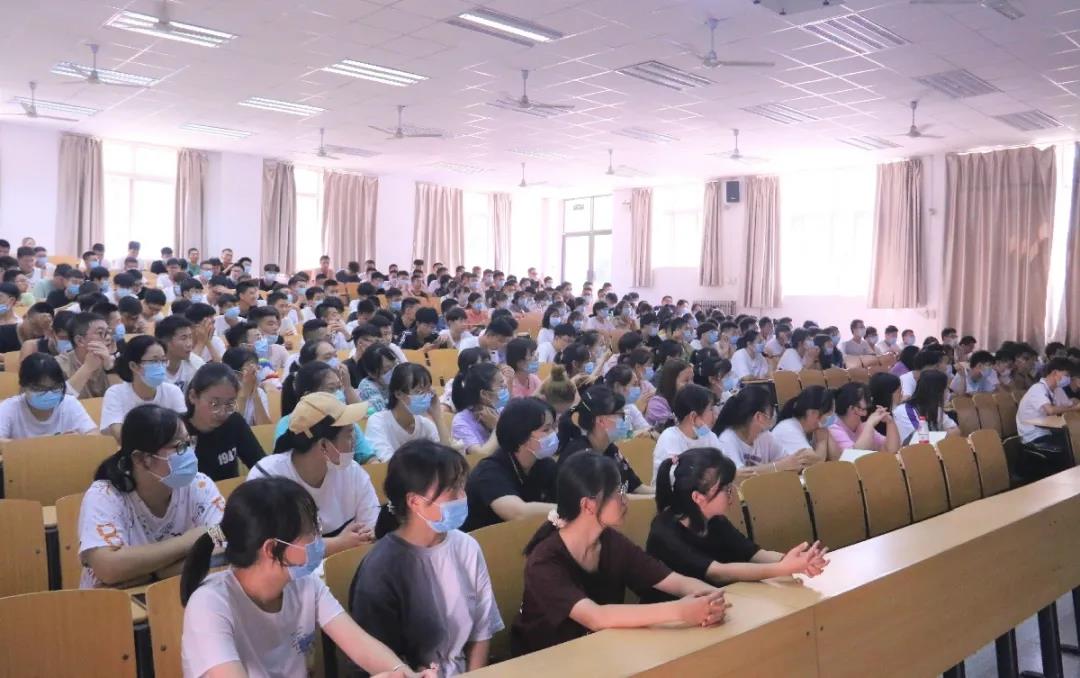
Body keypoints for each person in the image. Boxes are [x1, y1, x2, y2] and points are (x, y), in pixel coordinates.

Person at [179, 477, 435, 678]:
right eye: (312, 531)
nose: (318, 539)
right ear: (272, 548)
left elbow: (360, 644)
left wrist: (404, 673)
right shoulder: (209, 605)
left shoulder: (304, 584)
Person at [510, 452, 729, 656]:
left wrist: (713, 599)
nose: (625, 500)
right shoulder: (544, 562)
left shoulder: (610, 541)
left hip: (600, 651)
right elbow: (596, 617)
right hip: (548, 660)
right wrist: (680, 611)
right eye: (618, 493)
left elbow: (673, 581)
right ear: (588, 505)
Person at [349, 440, 503, 675]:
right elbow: (378, 662)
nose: (463, 497)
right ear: (415, 502)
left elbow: (481, 632)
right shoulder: (380, 570)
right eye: (453, 490)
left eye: (462, 487)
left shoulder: (466, 547)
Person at [78, 404, 223, 588]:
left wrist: (156, 573)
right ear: (141, 459)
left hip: (177, 592)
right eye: (179, 447)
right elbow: (107, 567)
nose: (188, 453)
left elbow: (224, 538)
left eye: (189, 443)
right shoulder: (104, 495)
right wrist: (187, 542)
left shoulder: (199, 484)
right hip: (115, 602)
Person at [648, 448, 829, 589]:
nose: (732, 493)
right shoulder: (664, 531)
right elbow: (717, 572)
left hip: (720, 600)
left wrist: (796, 560)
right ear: (698, 497)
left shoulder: (714, 520)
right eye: (726, 489)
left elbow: (754, 554)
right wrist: (782, 568)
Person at [248, 392, 379, 556]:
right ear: (324, 445)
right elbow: (274, 550)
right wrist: (339, 544)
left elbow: (372, 530)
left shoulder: (353, 472)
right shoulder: (267, 478)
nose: (354, 441)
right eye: (348, 434)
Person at [462, 397, 558, 531]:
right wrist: (566, 510)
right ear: (522, 436)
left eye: (554, 427)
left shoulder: (545, 464)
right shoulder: (489, 472)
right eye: (546, 429)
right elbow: (518, 513)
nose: (554, 433)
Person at [556, 385, 652, 494]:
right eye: (621, 415)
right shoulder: (581, 458)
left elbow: (637, 488)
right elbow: (602, 500)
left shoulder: (611, 449)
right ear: (601, 421)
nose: (626, 419)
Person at [276, 360, 376, 465]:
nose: (338, 393)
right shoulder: (290, 426)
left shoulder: (346, 419)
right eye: (331, 389)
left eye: (339, 388)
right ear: (309, 396)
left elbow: (368, 457)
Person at [183, 363, 266, 481]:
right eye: (214, 403)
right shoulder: (177, 431)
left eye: (229, 404)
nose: (222, 412)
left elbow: (261, 465)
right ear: (193, 396)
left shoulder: (235, 423)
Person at [101, 335, 187, 440]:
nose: (161, 366)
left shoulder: (173, 391)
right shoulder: (115, 394)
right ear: (134, 366)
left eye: (163, 360)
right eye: (154, 361)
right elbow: (119, 434)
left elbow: (182, 431)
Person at [715, 385, 812, 474]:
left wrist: (800, 460)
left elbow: (788, 463)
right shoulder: (728, 439)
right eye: (771, 411)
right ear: (759, 417)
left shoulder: (765, 436)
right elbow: (739, 474)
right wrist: (777, 466)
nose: (774, 415)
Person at [0, 352, 96, 440]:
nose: (49, 393)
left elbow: (94, 435)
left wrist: (80, 439)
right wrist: (39, 443)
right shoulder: (9, 407)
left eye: (55, 387)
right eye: (40, 388)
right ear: (24, 387)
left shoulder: (69, 403)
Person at [364, 363, 448, 463]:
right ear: (398, 394)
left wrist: (437, 416)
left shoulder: (425, 424)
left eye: (428, 390)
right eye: (419, 392)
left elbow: (447, 459)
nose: (426, 396)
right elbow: (388, 464)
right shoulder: (378, 422)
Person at [1016, 358, 1080, 475]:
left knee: (1076, 439)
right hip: (1034, 435)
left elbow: (1070, 404)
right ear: (1055, 372)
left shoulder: (1057, 390)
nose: (1068, 379)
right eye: (1066, 375)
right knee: (1070, 447)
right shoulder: (1038, 389)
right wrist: (1074, 408)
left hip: (1050, 432)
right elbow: (1050, 410)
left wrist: (1074, 405)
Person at [652, 384, 722, 483]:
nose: (715, 415)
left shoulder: (705, 433)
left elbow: (722, 463)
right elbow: (676, 478)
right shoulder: (670, 437)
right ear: (693, 417)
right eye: (710, 409)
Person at [769, 386, 841, 462]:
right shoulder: (788, 429)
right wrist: (822, 442)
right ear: (813, 413)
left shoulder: (811, 431)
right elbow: (814, 465)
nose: (833, 417)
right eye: (830, 413)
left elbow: (837, 460)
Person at [450, 362, 505, 455]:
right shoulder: (461, 421)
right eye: (501, 385)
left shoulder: (501, 410)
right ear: (484, 394)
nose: (504, 387)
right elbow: (480, 456)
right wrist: (497, 427)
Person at [828, 382, 900, 453]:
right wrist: (870, 424)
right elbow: (855, 455)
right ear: (852, 408)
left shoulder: (863, 427)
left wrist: (890, 422)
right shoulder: (834, 430)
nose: (870, 399)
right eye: (865, 397)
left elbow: (891, 450)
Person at [55, 312, 113, 399]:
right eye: (100, 333)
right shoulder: (59, 365)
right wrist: (87, 367)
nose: (108, 338)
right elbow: (60, 401)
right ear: (80, 341)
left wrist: (110, 368)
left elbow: (121, 399)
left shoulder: (113, 361)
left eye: (108, 332)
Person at [892, 369, 960, 443]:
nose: (947, 392)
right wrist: (944, 435)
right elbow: (919, 439)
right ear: (937, 391)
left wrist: (939, 436)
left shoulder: (935, 409)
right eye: (945, 389)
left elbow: (956, 431)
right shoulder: (904, 410)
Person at [221, 347, 272, 426]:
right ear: (234, 373)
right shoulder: (221, 394)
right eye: (249, 368)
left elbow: (264, 428)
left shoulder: (260, 392)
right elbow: (231, 428)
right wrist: (244, 394)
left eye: (256, 368)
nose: (255, 372)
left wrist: (255, 394)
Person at [154, 315, 206, 392]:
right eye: (183, 338)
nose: (189, 344)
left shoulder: (197, 364)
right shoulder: (152, 368)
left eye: (190, 337)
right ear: (165, 341)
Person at [603, 364, 654, 437]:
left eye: (638, 385)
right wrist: (634, 434)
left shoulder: (630, 408)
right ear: (617, 386)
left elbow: (649, 430)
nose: (637, 388)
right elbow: (619, 438)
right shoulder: (601, 409)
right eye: (634, 384)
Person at [644, 358, 691, 429]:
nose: (691, 384)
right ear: (671, 382)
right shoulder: (656, 405)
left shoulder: (685, 400)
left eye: (692, 379)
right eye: (686, 380)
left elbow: (699, 427)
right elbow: (678, 431)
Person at [355, 343, 399, 413]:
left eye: (395, 364)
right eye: (388, 368)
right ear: (372, 374)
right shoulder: (367, 387)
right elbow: (382, 413)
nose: (394, 370)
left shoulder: (399, 379)